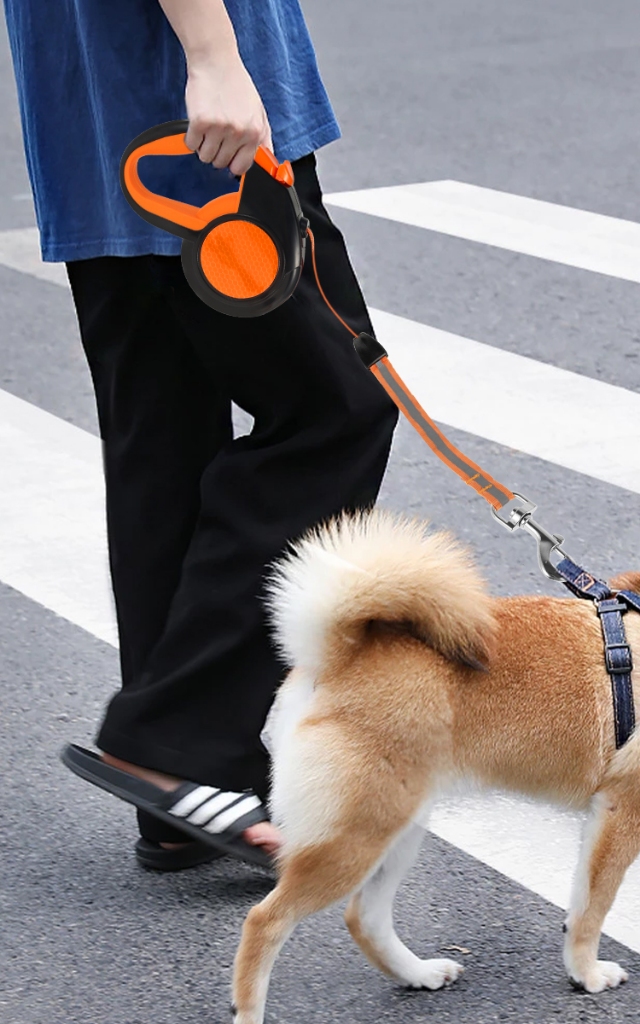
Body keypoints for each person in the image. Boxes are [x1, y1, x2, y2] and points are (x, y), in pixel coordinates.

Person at [2, 0, 397, 868]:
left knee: (163, 442)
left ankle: (182, 793)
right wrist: (212, 55)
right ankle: (179, 743)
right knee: (336, 411)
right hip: (194, 117)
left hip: (96, 112)